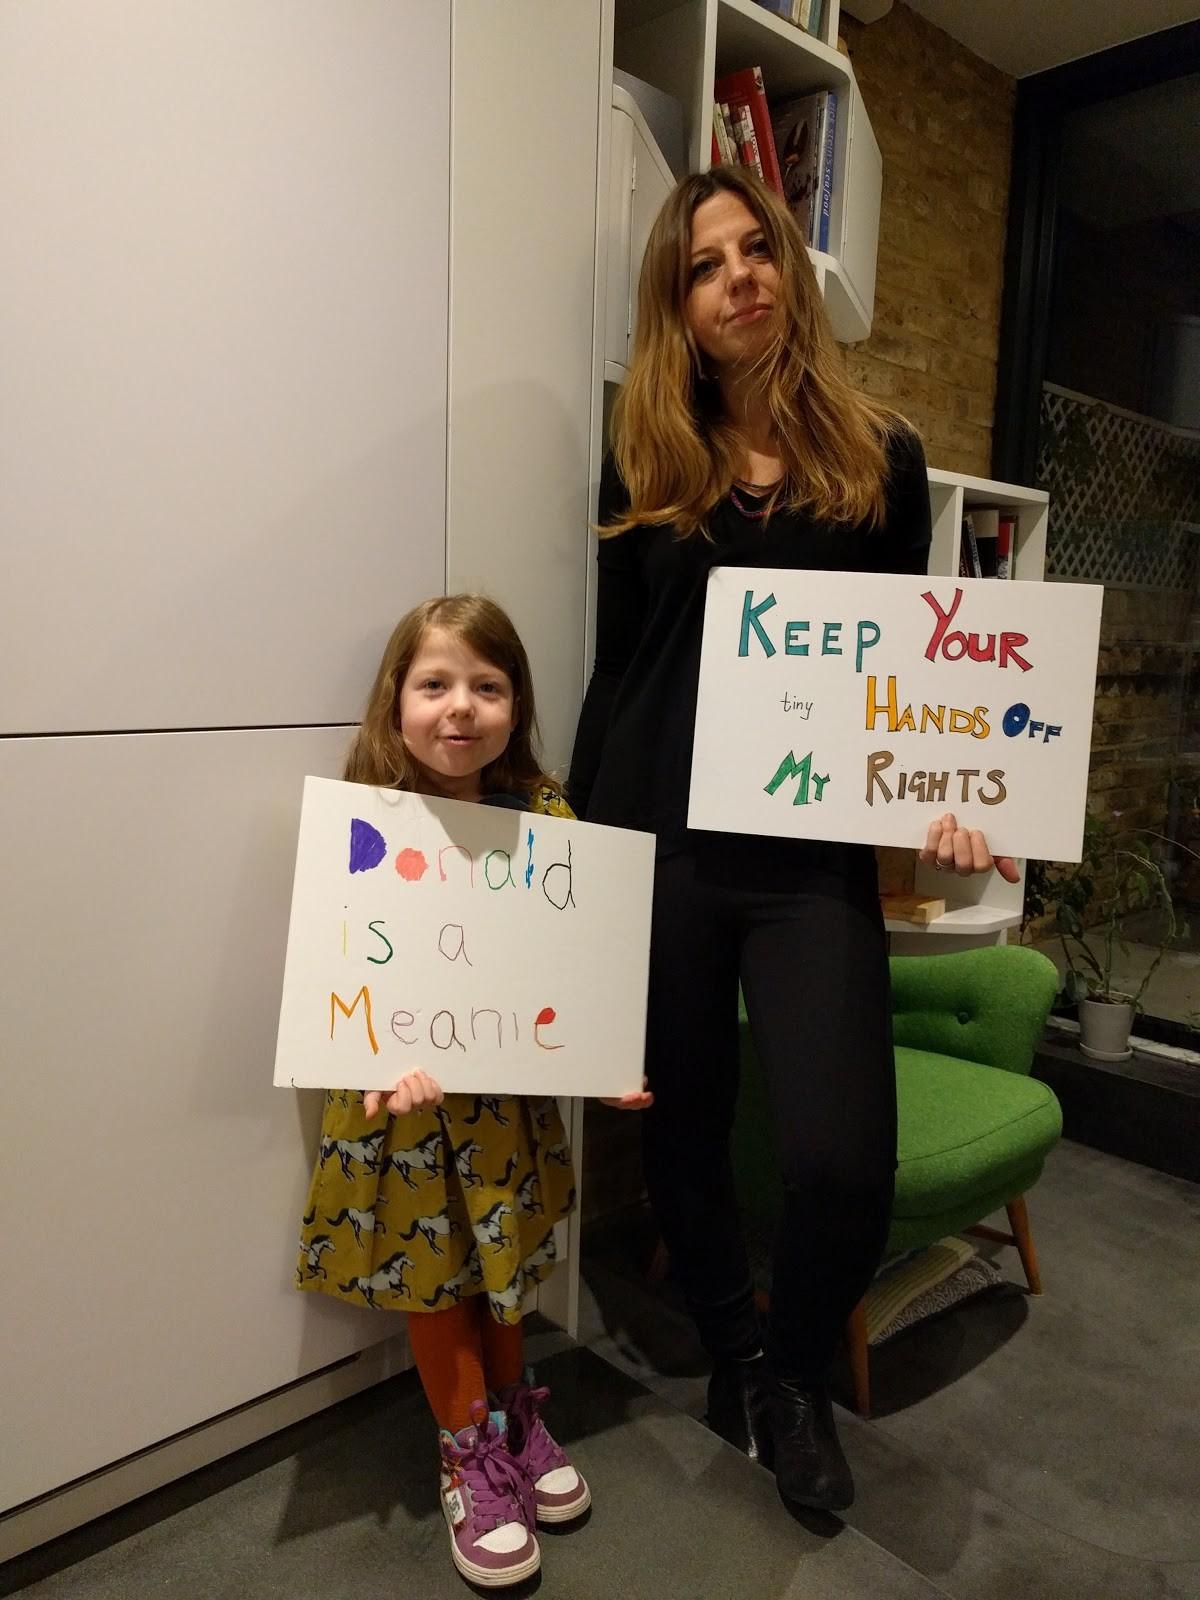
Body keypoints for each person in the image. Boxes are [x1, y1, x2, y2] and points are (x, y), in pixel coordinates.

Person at [568, 166, 1018, 1515]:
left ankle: (798, 1373)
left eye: (757, 249)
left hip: (807, 854)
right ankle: (738, 1352)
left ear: (788, 274)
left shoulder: (876, 459)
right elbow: (618, 669)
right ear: (679, 303)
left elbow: (911, 677)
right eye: (706, 264)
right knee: (686, 1130)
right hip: (663, 844)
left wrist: (942, 793)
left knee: (839, 1156)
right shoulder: (645, 456)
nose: (740, 277)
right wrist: (577, 868)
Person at [296, 593, 650, 1588]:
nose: (462, 707)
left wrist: (602, 1058)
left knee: (505, 1262)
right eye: (436, 683)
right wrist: (376, 1048)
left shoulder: (547, 819)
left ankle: (510, 1418)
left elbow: (577, 965)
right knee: (436, 1279)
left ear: (516, 703)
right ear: (394, 700)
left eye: (487, 686)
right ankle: (467, 1453)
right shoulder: (365, 822)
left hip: (508, 1107)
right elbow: (341, 969)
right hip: (401, 1113)